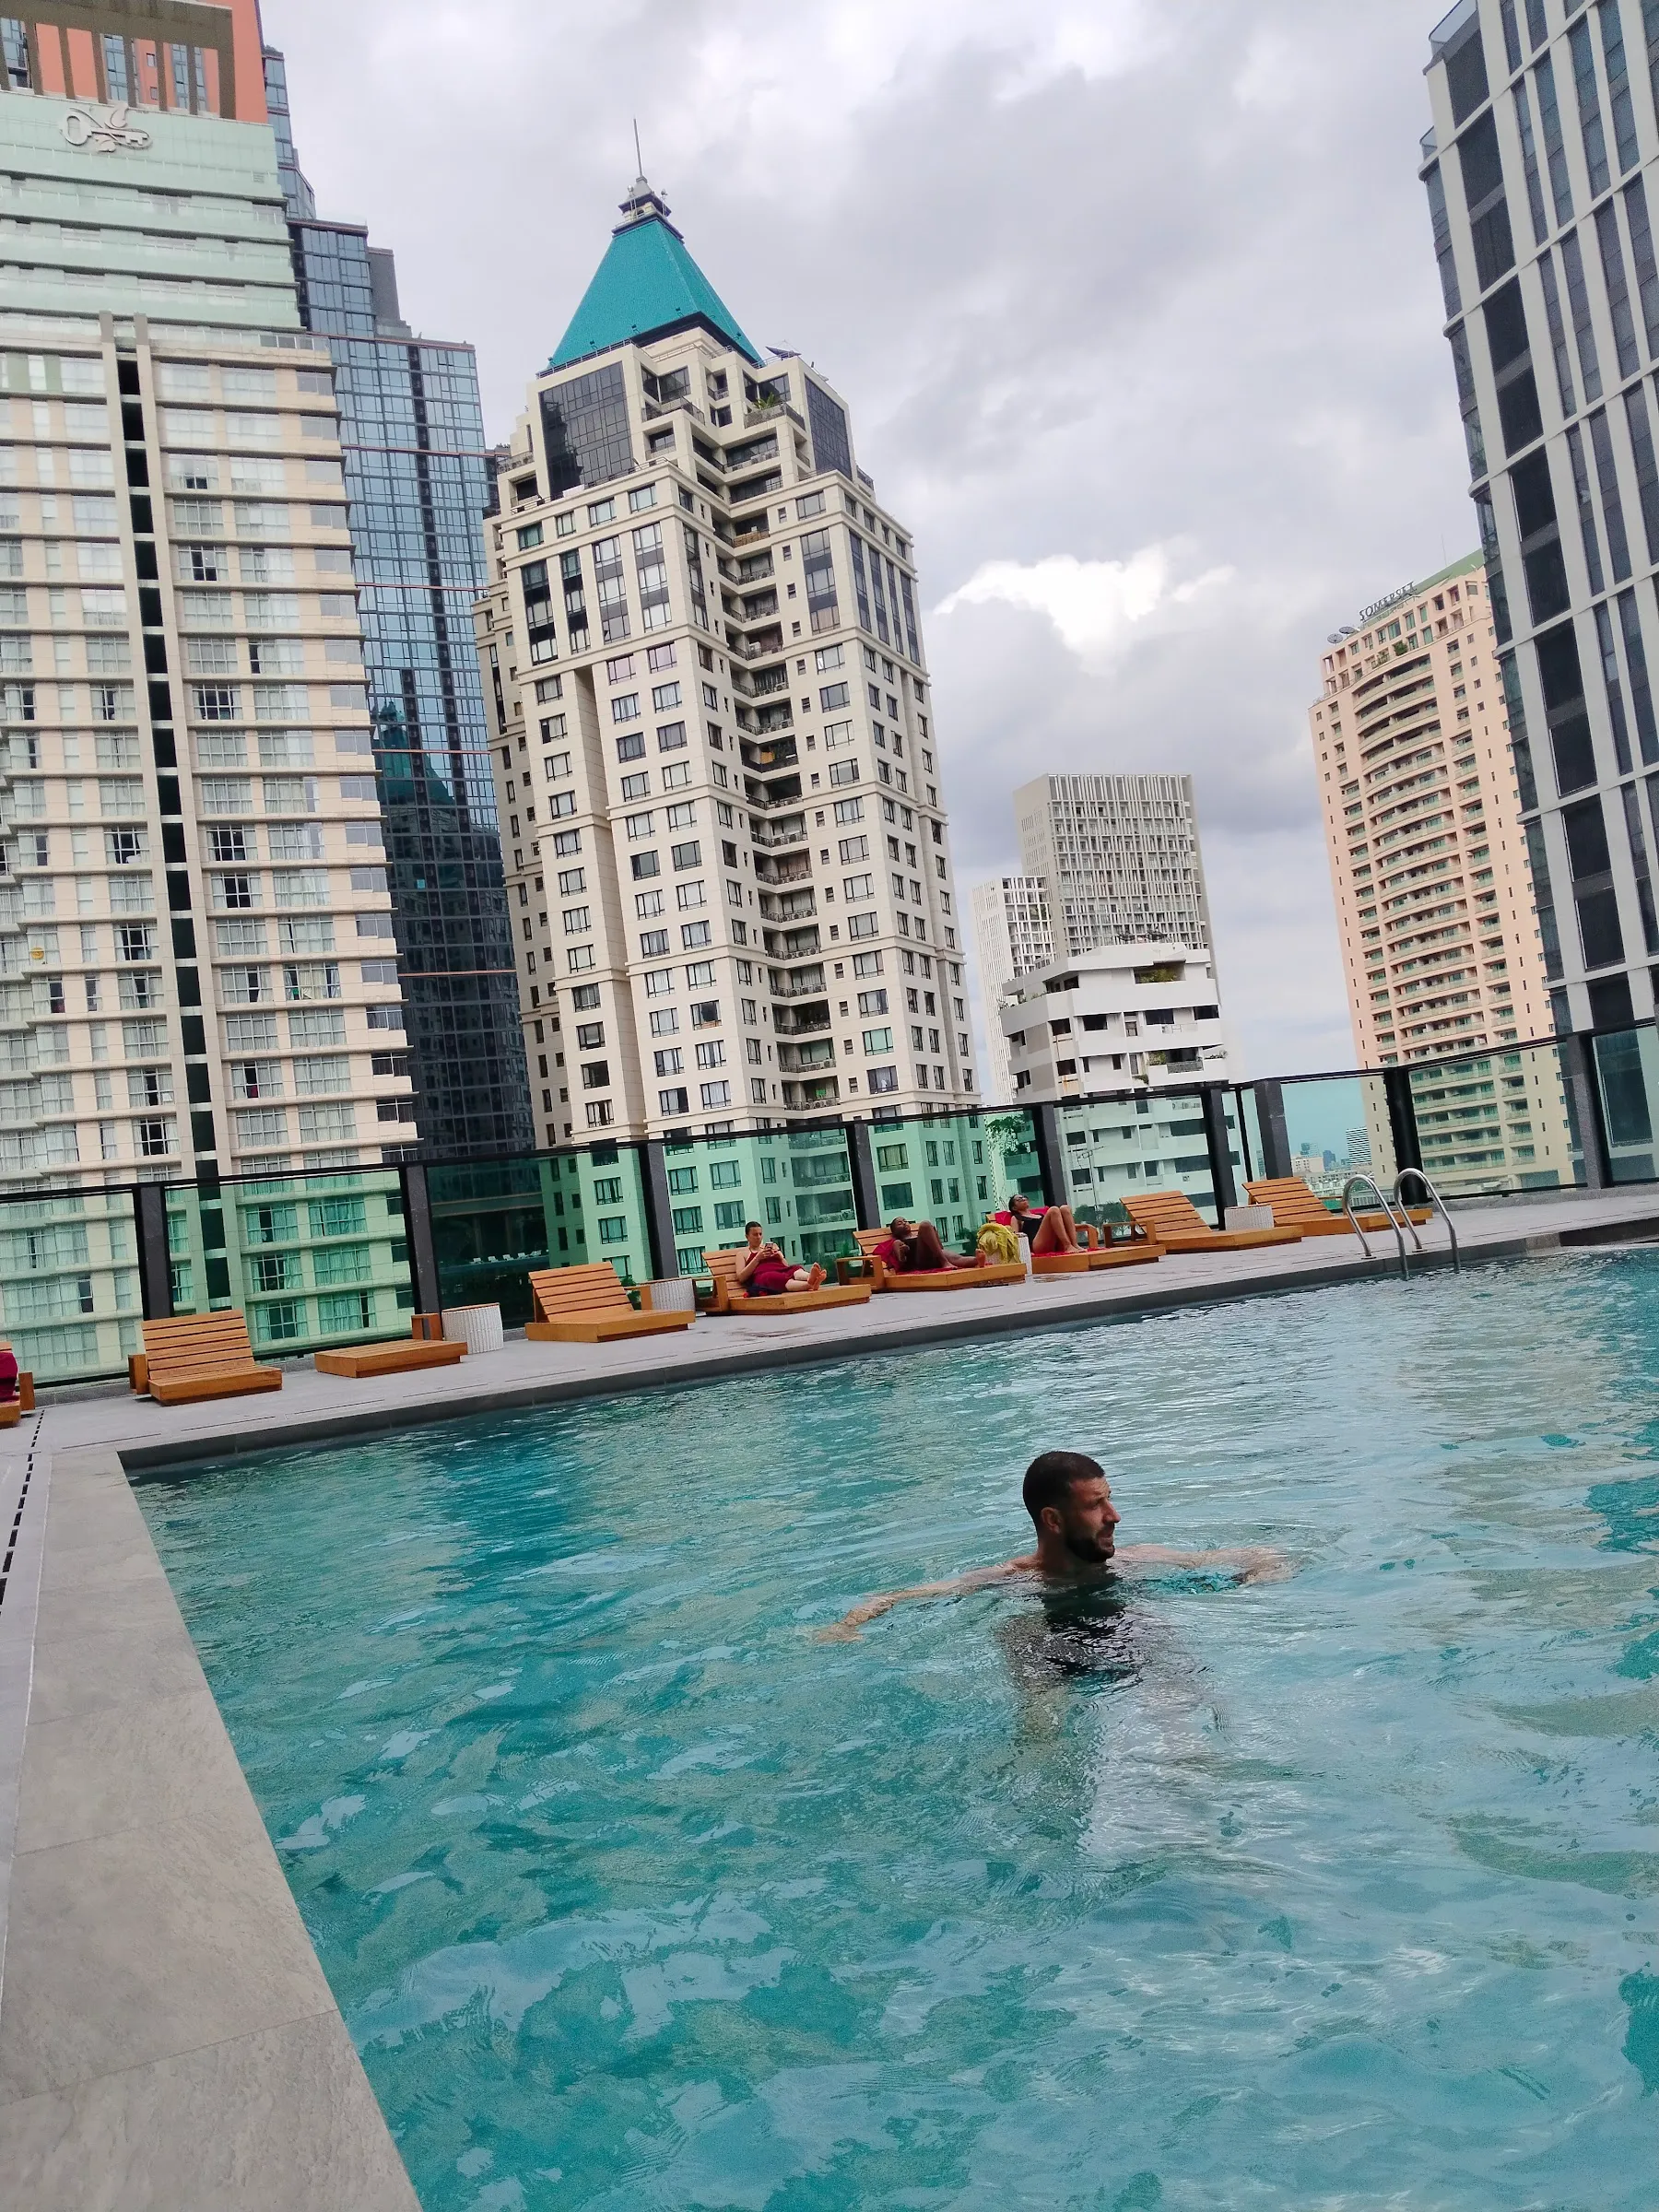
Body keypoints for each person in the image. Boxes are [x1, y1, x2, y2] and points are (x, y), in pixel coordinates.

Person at [822, 1449, 1287, 1638]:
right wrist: (845, 1627)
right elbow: (899, 1597)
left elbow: (1262, 1557)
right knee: (1017, 1636)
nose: (1115, 1516)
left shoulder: (1138, 1560)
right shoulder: (1013, 1579)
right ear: (1053, 1520)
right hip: (1049, 1646)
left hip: (1128, 1641)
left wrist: (1256, 1578)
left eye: (1110, 1500)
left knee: (1170, 1662)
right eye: (1096, 1505)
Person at [734, 1220, 825, 1296]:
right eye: (755, 1234)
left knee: (795, 1269)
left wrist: (780, 1257)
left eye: (760, 1234)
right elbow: (741, 1277)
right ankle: (809, 1285)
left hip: (780, 1269)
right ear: (747, 1237)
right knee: (775, 1277)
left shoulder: (771, 1247)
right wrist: (757, 1258)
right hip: (763, 1276)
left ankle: (810, 1277)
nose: (758, 1237)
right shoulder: (742, 1254)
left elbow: (786, 1266)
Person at [999, 1193, 1085, 1257]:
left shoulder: (1040, 1215)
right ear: (1014, 1208)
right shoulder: (1016, 1218)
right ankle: (1067, 1246)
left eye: (1024, 1197)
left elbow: (1059, 1225)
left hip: (1055, 1241)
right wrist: (1026, 1252)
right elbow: (1014, 1237)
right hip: (1038, 1246)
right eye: (1019, 1199)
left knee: (1065, 1208)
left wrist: (1085, 1226)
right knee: (1054, 1210)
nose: (1023, 1199)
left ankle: (1074, 1244)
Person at [895, 1220, 984, 1273]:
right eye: (899, 1223)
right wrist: (902, 1252)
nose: (904, 1223)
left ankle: (977, 1260)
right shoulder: (897, 1242)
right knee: (925, 1225)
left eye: (905, 1221)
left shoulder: (919, 1236)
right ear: (894, 1230)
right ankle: (944, 1262)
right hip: (921, 1262)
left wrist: (933, 1232)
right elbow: (901, 1260)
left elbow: (940, 1247)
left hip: (936, 1255)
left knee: (958, 1259)